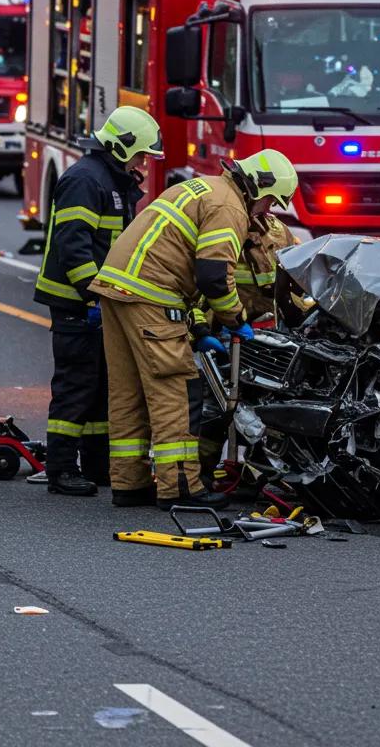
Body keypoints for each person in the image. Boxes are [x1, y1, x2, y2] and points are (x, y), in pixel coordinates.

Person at [89, 149, 298, 510]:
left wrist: (198, 325)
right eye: (269, 202)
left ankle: (130, 483)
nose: (266, 212)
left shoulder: (206, 188)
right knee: (176, 392)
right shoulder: (230, 207)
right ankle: (182, 487)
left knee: (129, 394)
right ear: (259, 186)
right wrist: (237, 320)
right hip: (152, 297)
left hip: (118, 290)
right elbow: (214, 276)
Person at [33, 106, 163, 497]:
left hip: (94, 300)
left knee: (100, 386)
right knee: (75, 386)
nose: (144, 163)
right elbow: (73, 245)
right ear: (123, 148)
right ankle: (60, 469)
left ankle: (95, 464)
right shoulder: (86, 181)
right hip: (76, 302)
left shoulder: (110, 179)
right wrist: (93, 295)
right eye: (141, 154)